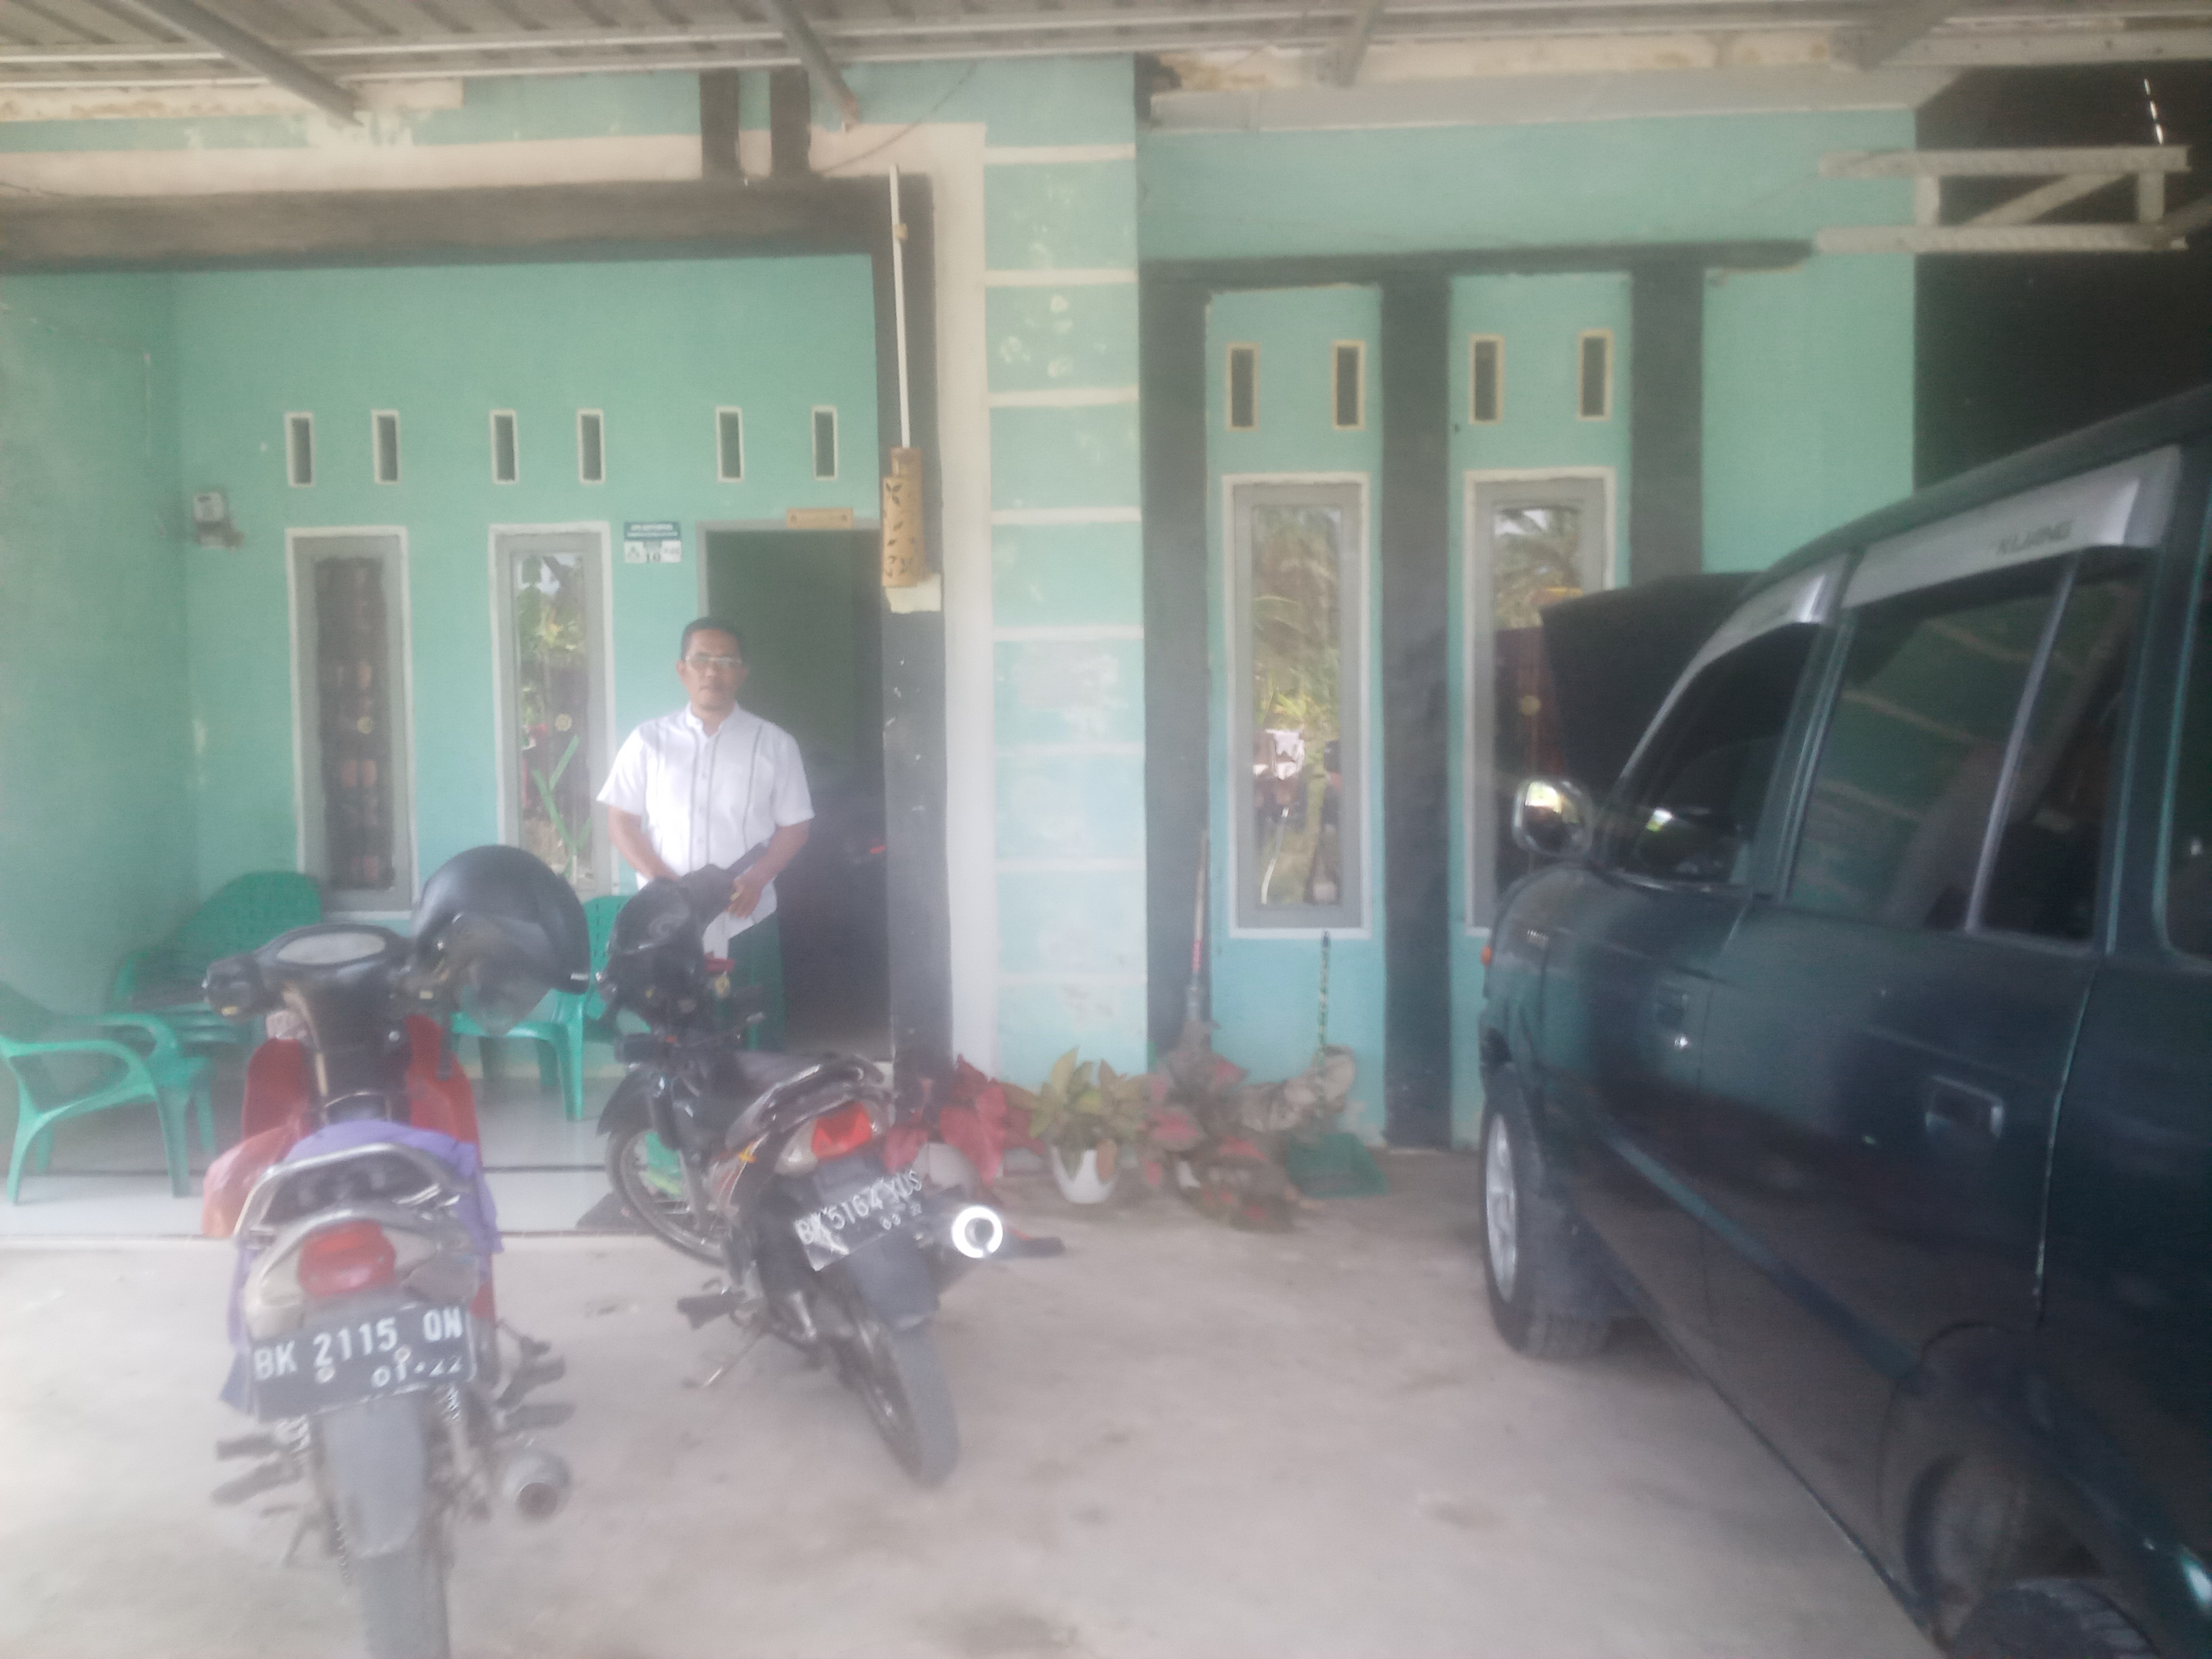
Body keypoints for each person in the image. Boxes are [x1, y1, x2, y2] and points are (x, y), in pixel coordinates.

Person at [598, 617, 812, 1047]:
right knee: (673, 1043)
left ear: (742, 673)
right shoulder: (648, 741)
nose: (713, 671)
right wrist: (670, 889)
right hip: (665, 928)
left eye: (726, 661)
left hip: (745, 918)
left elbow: (796, 826)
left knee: (753, 1041)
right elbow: (621, 821)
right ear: (682, 669)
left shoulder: (775, 744)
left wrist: (758, 877)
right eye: (701, 660)